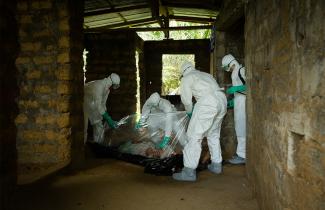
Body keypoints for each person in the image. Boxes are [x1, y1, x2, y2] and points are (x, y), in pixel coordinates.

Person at [172, 61, 227, 181]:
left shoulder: (186, 78)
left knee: (193, 136)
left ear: (182, 72)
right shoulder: (206, 75)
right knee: (213, 134)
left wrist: (190, 112)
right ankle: (216, 165)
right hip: (222, 100)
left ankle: (189, 172)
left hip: (207, 102)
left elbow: (186, 100)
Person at [221, 54, 246, 164]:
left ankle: (242, 155)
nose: (227, 70)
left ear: (230, 63)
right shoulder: (235, 72)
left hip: (244, 103)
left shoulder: (241, 70)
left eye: (227, 67)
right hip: (239, 103)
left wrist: (237, 88)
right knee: (239, 128)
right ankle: (241, 153)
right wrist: (232, 102)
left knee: (241, 129)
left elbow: (250, 86)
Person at [83, 73, 120, 144]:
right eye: (114, 86)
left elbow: (103, 105)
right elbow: (99, 105)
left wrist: (108, 118)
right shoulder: (99, 86)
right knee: (84, 126)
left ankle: (98, 145)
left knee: (99, 125)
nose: (113, 88)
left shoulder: (107, 90)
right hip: (84, 101)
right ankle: (81, 148)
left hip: (92, 103)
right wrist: (108, 118)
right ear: (111, 83)